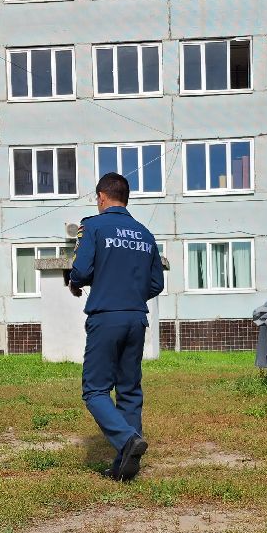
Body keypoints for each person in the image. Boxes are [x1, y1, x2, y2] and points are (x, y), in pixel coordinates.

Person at [69, 172, 165, 481]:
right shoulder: (145, 233)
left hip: (106, 316)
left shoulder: (93, 226)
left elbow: (82, 270)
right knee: (129, 390)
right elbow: (156, 283)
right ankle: (127, 464)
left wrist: (75, 282)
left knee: (95, 390)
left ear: (101, 197)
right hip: (136, 318)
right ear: (126, 198)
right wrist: (131, 293)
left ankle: (126, 441)